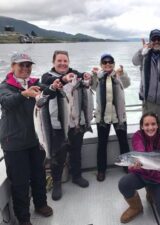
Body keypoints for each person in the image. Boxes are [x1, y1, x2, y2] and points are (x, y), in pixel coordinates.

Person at [0, 53, 61, 225]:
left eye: (28, 65)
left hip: (35, 141)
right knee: (20, 182)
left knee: (38, 175)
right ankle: (23, 218)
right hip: (14, 143)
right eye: (21, 65)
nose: (25, 68)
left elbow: (47, 91)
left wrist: (55, 86)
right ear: (12, 67)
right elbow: (6, 102)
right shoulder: (5, 86)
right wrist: (24, 94)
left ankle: (41, 204)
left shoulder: (34, 83)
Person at [42, 50, 91, 201]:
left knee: (76, 151)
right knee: (59, 155)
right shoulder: (47, 76)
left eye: (65, 61)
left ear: (68, 62)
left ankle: (76, 175)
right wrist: (63, 79)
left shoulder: (73, 73)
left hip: (75, 123)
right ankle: (57, 182)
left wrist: (86, 75)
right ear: (53, 62)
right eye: (59, 61)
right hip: (57, 125)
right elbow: (47, 83)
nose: (63, 64)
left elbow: (82, 75)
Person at [132, 29, 160, 175]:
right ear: (150, 41)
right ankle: (149, 162)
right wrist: (142, 50)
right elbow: (134, 61)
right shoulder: (145, 55)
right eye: (154, 39)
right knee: (148, 132)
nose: (157, 42)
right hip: (149, 101)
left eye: (159, 39)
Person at [91, 54, 131, 182]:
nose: (107, 64)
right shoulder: (98, 77)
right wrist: (92, 75)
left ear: (113, 63)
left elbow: (127, 83)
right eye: (104, 62)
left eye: (110, 62)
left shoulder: (118, 76)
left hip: (119, 115)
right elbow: (90, 86)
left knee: (124, 142)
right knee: (102, 144)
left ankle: (126, 165)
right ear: (101, 64)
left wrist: (123, 73)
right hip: (102, 116)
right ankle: (101, 170)